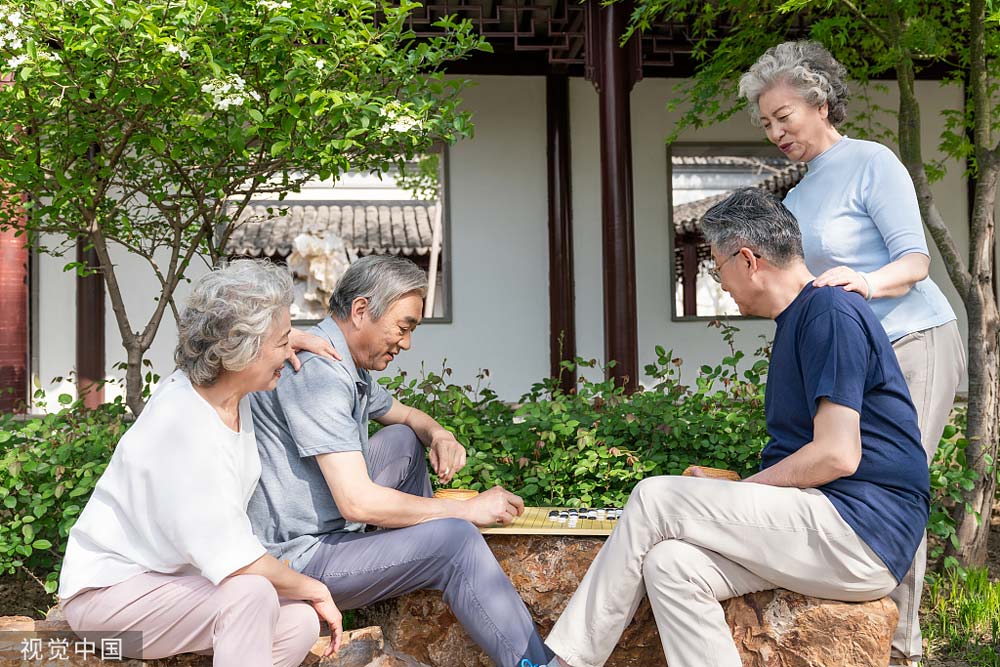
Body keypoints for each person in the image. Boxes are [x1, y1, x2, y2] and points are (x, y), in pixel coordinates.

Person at [541, 189, 929, 667]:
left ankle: (563, 662)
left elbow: (837, 455)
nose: (718, 281)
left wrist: (742, 491)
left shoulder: (829, 313)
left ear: (748, 259)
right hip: (829, 526)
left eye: (716, 265)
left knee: (653, 498)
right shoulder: (800, 319)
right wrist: (731, 496)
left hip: (861, 530)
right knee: (672, 566)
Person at [738, 40, 965, 666]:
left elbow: (915, 263)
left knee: (888, 487)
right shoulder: (796, 195)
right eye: (766, 123)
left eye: (784, 115)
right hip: (848, 358)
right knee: (843, 482)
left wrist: (864, 282)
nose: (776, 130)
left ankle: (899, 646)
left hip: (912, 341)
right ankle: (852, 636)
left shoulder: (872, 162)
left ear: (820, 102)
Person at [247, 254, 555, 667]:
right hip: (300, 557)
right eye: (403, 326)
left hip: (329, 532)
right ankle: (537, 662)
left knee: (402, 439)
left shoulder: (344, 362)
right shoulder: (318, 373)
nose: (406, 343)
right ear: (361, 311)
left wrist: (439, 434)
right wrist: (463, 511)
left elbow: (407, 415)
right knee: (455, 539)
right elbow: (357, 504)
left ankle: (416, 569)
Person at [59, 260, 343, 666]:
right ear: (242, 348)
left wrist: (289, 338)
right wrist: (314, 587)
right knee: (253, 593)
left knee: (297, 621)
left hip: (170, 587)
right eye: (280, 341)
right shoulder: (181, 423)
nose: (288, 351)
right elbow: (238, 563)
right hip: (107, 601)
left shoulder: (222, 391)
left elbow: (224, 330)